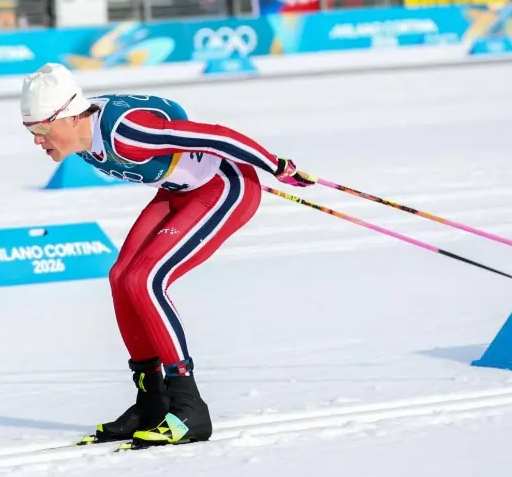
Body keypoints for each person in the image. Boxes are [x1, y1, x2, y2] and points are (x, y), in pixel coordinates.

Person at [20, 63, 314, 447]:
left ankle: (189, 407)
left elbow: (216, 136)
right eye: (31, 132)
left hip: (224, 187)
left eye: (41, 129)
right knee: (121, 277)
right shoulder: (80, 137)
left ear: (72, 116)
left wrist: (277, 167)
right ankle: (152, 402)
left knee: (146, 278)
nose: (37, 140)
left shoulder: (126, 133)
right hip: (177, 191)